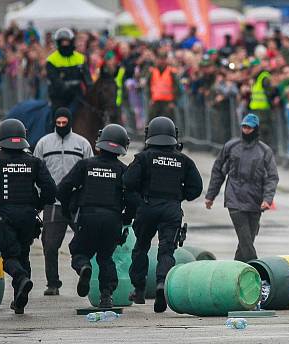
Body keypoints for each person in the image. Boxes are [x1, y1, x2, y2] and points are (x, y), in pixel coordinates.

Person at [0, 119, 56, 314]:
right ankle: (19, 301)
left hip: (6, 214)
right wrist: (38, 205)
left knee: (9, 256)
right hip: (28, 215)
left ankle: (20, 278)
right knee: (23, 254)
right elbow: (50, 190)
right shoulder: (35, 162)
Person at [124, 116, 203, 313]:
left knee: (141, 247)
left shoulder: (143, 158)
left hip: (148, 206)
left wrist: (141, 196)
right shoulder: (184, 160)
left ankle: (139, 289)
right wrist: (177, 197)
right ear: (173, 136)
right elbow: (196, 188)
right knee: (166, 250)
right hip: (171, 209)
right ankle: (161, 284)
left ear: (149, 135)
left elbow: (128, 181)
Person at [56, 124, 137, 308]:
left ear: (100, 143)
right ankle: (106, 296)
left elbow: (62, 189)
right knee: (106, 258)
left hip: (88, 216)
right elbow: (133, 200)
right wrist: (126, 219)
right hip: (112, 219)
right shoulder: (123, 170)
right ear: (123, 147)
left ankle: (84, 267)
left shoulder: (85, 165)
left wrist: (69, 211)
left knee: (80, 251)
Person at [32, 107, 93, 296]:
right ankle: (53, 283)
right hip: (54, 203)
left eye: (64, 123)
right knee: (50, 244)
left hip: (77, 203)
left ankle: (87, 272)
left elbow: (91, 171)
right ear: (53, 123)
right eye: (57, 123)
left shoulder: (82, 144)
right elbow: (35, 170)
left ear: (70, 122)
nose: (60, 126)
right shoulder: (43, 143)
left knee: (88, 239)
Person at [204, 114, 280, 262]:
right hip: (234, 199)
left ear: (256, 129)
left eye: (249, 127)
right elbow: (218, 171)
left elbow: (272, 177)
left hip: (255, 201)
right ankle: (258, 269)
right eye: (244, 127)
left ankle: (236, 271)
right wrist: (210, 195)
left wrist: (267, 199)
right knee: (245, 238)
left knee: (248, 240)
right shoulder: (231, 147)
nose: (246, 130)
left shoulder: (265, 151)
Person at [46, 28, 91, 113]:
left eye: (67, 41)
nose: (65, 44)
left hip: (78, 96)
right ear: (58, 43)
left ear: (72, 41)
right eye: (62, 42)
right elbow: (55, 80)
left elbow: (88, 79)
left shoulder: (80, 58)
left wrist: (91, 91)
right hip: (59, 98)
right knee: (57, 117)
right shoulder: (51, 60)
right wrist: (68, 90)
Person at [146, 56, 179, 121]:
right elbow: (148, 86)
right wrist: (149, 98)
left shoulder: (171, 71)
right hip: (155, 101)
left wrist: (173, 101)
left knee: (169, 121)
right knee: (151, 121)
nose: (161, 61)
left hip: (168, 102)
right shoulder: (152, 71)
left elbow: (176, 87)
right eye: (160, 59)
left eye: (163, 59)